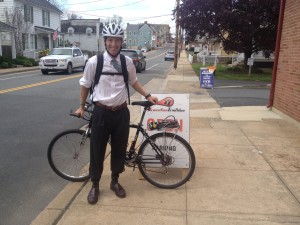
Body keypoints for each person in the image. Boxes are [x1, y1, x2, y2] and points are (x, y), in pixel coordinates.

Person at [74, 24, 157, 205]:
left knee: (119, 149)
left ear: (121, 42)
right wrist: (81, 106)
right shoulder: (94, 62)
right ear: (105, 42)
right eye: (110, 40)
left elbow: (134, 82)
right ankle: (95, 185)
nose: (114, 44)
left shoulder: (127, 62)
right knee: (97, 150)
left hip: (121, 113)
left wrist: (148, 95)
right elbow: (85, 85)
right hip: (101, 112)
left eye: (117, 40)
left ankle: (115, 181)